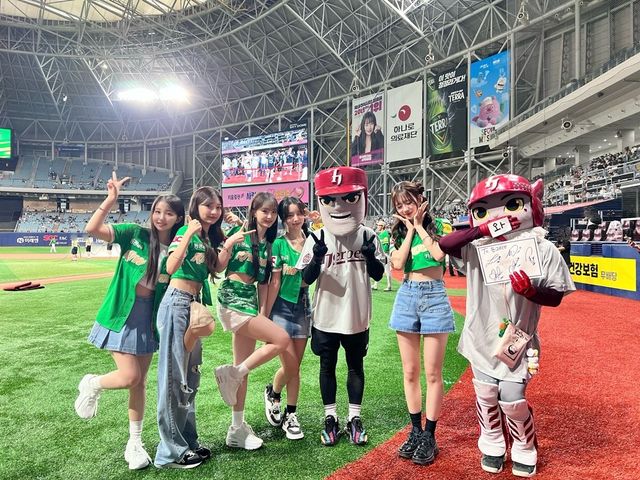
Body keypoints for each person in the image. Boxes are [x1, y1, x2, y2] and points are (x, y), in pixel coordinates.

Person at [439, 174, 575, 477]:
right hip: (481, 335)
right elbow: (445, 244)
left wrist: (531, 292)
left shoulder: (542, 248)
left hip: (520, 338)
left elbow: (555, 296)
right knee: (486, 393)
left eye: (512, 205)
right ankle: (492, 442)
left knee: (512, 398)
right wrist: (482, 229)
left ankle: (525, 445)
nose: (498, 214)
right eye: (483, 210)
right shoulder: (476, 246)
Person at [74, 171, 185, 471]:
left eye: (169, 213)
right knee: (130, 376)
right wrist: (111, 199)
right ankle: (92, 383)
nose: (161, 217)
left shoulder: (177, 248)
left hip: (149, 318)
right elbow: (92, 229)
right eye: (157, 211)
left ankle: (134, 443)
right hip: (121, 313)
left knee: (140, 383)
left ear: (178, 218)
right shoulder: (134, 234)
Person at [297, 166, 385, 446]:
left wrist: (371, 258)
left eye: (349, 198)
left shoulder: (368, 235)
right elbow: (305, 279)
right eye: (329, 200)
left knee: (355, 366)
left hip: (357, 315)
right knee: (327, 366)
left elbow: (378, 274)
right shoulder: (317, 237)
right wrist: (316, 259)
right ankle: (330, 417)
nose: (338, 206)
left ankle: (354, 418)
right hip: (326, 315)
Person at [214, 192, 294, 451]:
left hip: (249, 302)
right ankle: (233, 375)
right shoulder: (239, 233)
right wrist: (229, 244)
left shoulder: (268, 244)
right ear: (254, 212)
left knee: (244, 367)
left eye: (273, 212)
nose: (269, 216)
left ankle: (236, 429)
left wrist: (263, 313)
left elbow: (264, 284)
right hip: (232, 299)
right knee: (281, 339)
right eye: (264, 211)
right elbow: (218, 267)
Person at [388, 181, 455, 466]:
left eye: (408, 202)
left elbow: (439, 255)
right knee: (410, 371)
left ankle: (430, 435)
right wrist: (410, 229)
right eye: (399, 205)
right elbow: (398, 264)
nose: (405, 208)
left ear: (420, 199)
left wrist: (420, 226)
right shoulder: (396, 232)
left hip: (435, 297)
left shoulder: (440, 226)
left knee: (433, 373)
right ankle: (415, 431)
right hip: (407, 296)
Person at [154, 186, 220, 469]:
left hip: (193, 304)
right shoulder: (186, 230)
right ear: (196, 207)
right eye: (208, 206)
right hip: (177, 303)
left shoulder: (206, 237)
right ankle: (169, 452)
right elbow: (170, 266)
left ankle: (188, 441)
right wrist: (189, 233)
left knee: (190, 378)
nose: (213, 211)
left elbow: (218, 268)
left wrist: (229, 241)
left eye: (217, 207)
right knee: (173, 377)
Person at [262, 197, 311, 440]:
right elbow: (275, 282)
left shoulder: (313, 241)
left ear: (305, 214)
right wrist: (265, 317)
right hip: (281, 307)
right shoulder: (278, 245)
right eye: (289, 215)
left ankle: (285, 406)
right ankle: (279, 401)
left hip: (303, 306)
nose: (295, 219)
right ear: (283, 219)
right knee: (291, 365)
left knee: (295, 367)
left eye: (298, 213)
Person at [371, 219, 392, 291]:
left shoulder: (385, 233)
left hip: (384, 254)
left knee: (386, 270)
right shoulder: (381, 234)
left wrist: (383, 254)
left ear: (382, 226)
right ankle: (376, 285)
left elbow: (386, 245)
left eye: (379, 225)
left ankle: (388, 286)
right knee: (379, 269)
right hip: (382, 254)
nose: (377, 226)